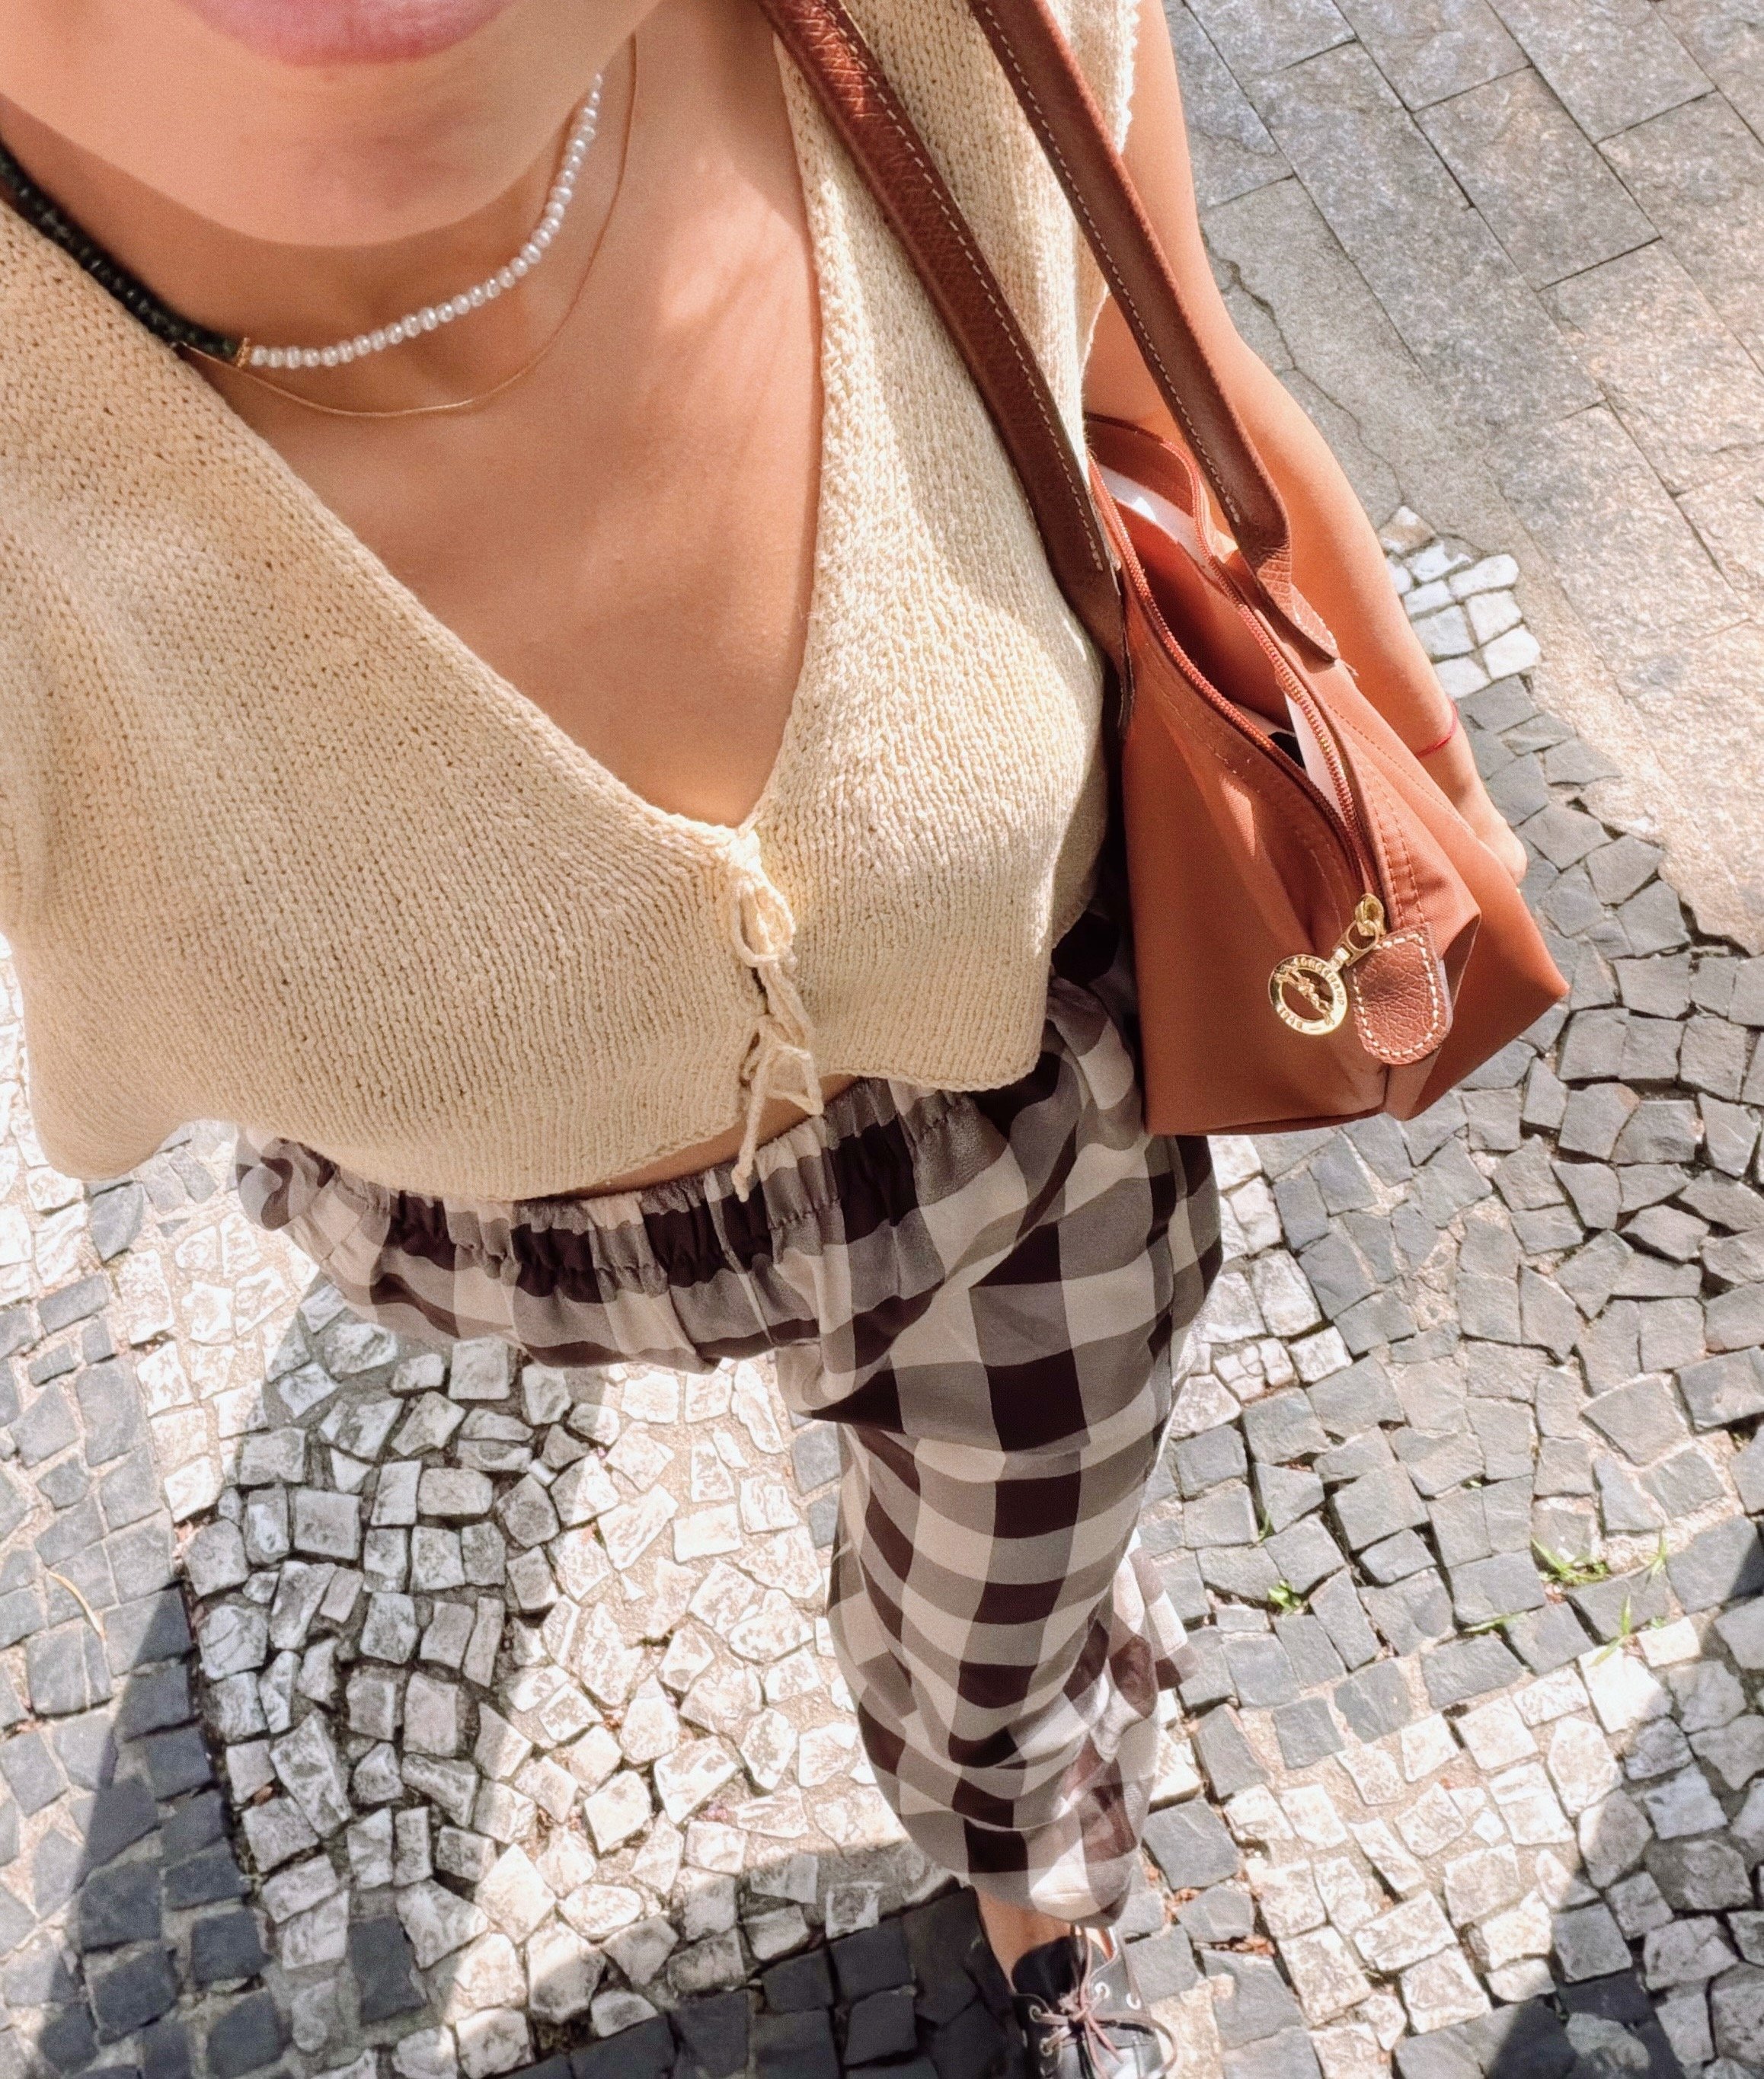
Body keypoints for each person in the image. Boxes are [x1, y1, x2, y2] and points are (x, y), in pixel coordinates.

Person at [0, 0, 1525, 2068]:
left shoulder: (963, 34)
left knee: (1017, 1602)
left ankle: (1014, 1814)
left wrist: (1402, 780)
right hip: (472, 1223)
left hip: (1025, 1112)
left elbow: (1164, 401)